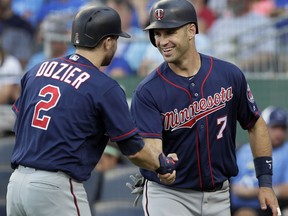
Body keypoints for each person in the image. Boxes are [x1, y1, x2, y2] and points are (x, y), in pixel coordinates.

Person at [6, 5, 178, 216]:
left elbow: (20, 122)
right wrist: (162, 165)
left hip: (16, 185)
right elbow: (134, 151)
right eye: (115, 39)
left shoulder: (37, 70)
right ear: (108, 42)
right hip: (54, 188)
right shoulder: (104, 87)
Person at [130, 0, 281, 216]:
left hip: (219, 195)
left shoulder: (228, 74)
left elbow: (255, 124)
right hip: (169, 195)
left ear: (191, 30)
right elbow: (151, 145)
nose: (162, 41)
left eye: (169, 32)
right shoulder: (148, 90)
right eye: (157, 34)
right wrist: (160, 164)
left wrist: (265, 182)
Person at [231, 106, 288, 216]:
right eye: (275, 127)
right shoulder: (244, 150)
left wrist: (257, 191)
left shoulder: (286, 151)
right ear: (264, 127)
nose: (279, 133)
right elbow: (233, 183)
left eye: (282, 128)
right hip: (238, 204)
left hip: (270, 206)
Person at [208, 0, 277, 73]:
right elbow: (208, 49)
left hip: (249, 75)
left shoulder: (261, 21)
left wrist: (238, 65)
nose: (232, 1)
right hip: (218, 73)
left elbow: (268, 55)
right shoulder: (219, 23)